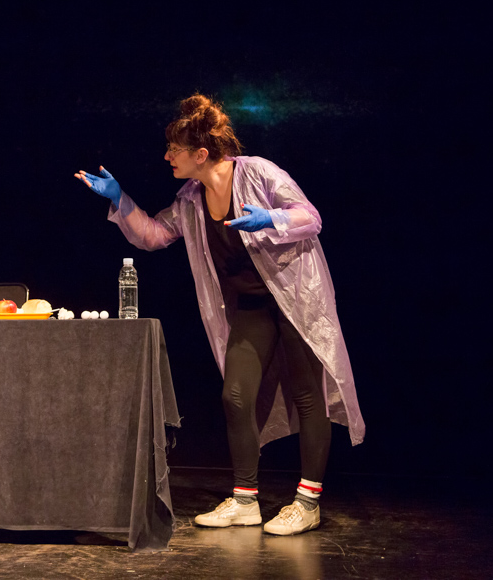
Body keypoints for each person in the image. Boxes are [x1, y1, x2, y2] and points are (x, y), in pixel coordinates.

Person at [75, 94, 364, 535]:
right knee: (235, 397)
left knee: (309, 396)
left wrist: (270, 218)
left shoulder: (259, 172)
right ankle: (245, 500)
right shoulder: (190, 199)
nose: (167, 157)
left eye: (174, 149)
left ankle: (308, 503)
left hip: (293, 300)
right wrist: (121, 200)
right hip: (252, 307)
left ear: (200, 153)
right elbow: (154, 235)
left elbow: (310, 217)